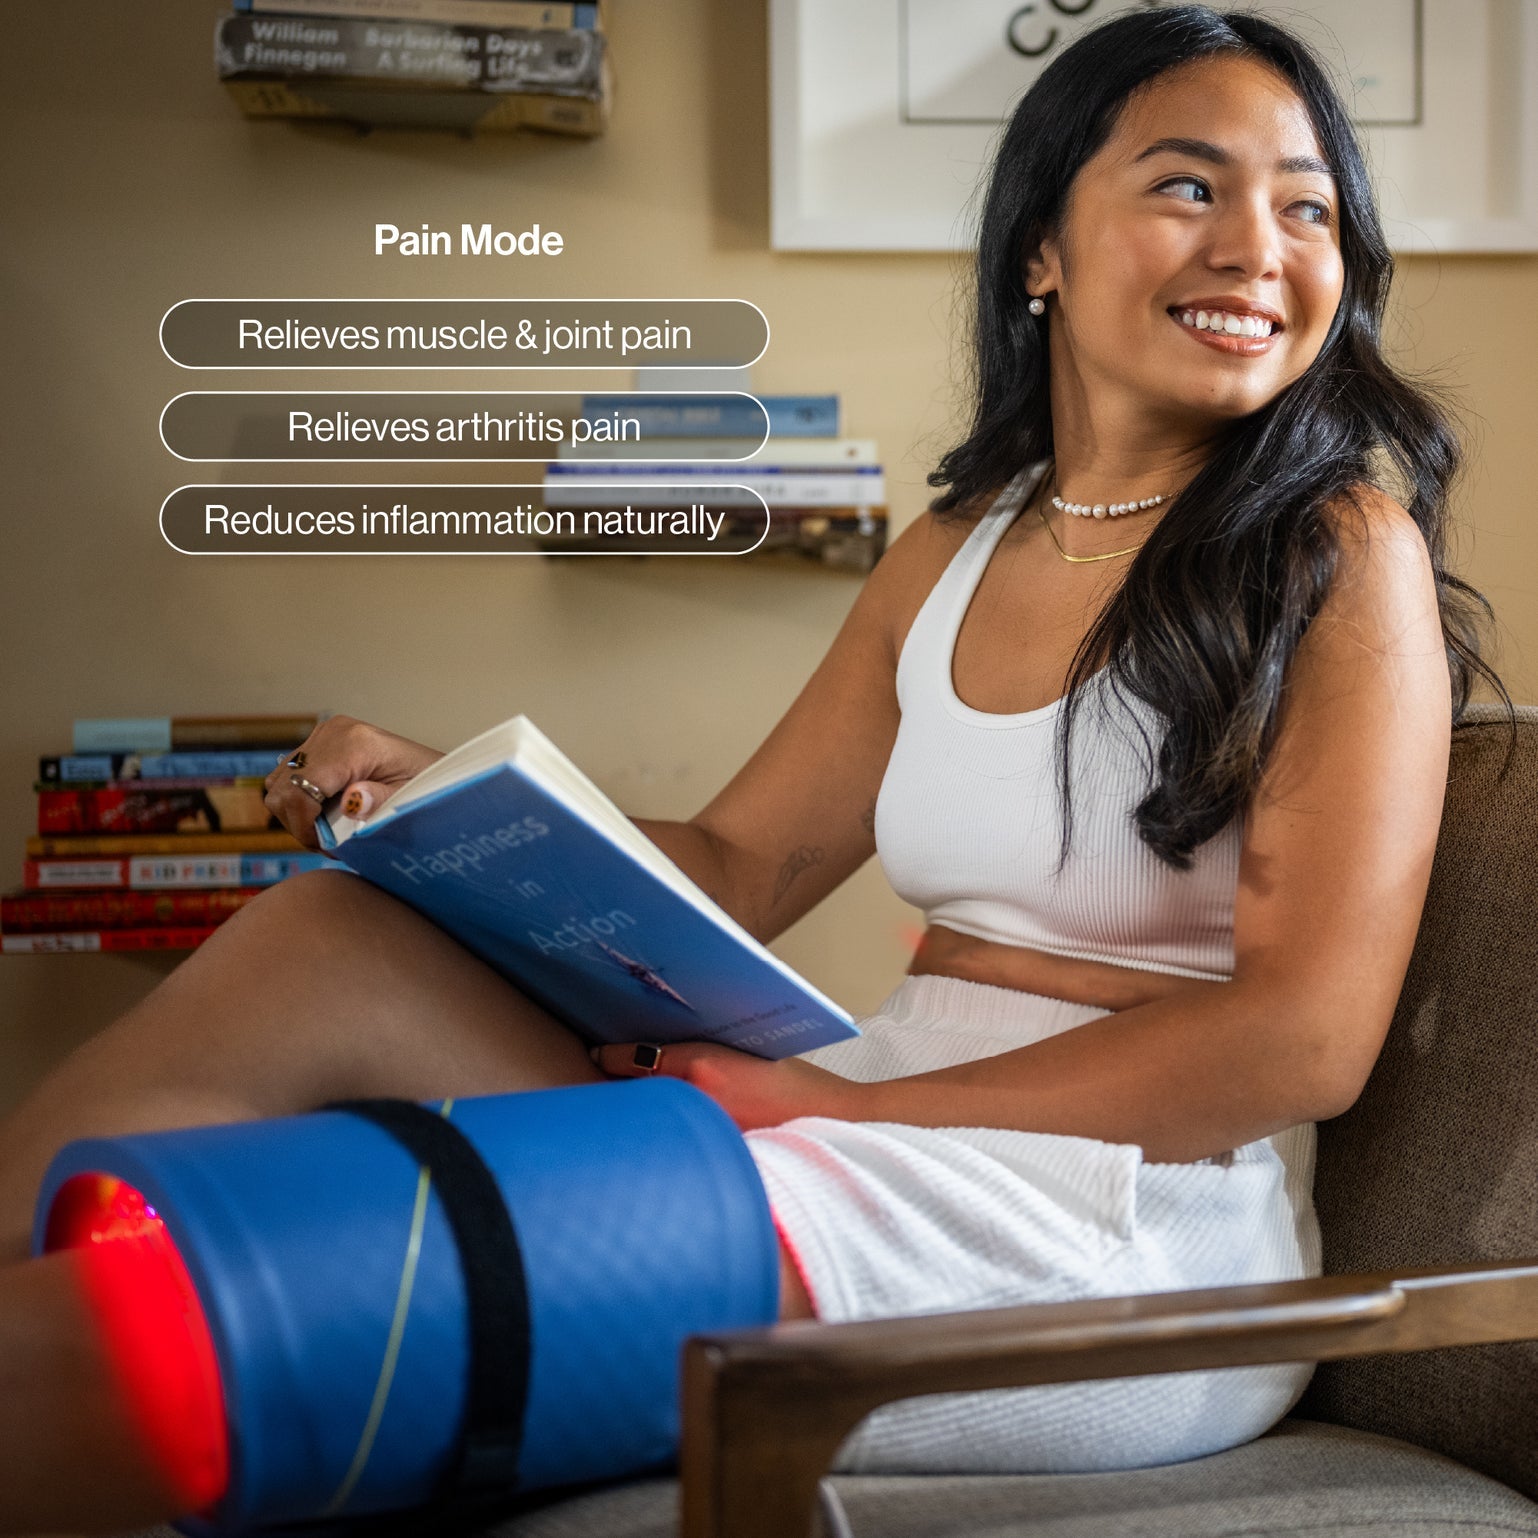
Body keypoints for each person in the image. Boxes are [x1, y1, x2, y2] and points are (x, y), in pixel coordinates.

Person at [0, 5, 1514, 1530]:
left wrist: (835, 1117)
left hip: (1111, 1203)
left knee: (197, 1313)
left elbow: (1301, 1042)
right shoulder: (952, 550)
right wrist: (454, 791)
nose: (1259, 242)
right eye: (1190, 185)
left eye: (1307, 204)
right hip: (867, 1096)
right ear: (1038, 249)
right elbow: (737, 866)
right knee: (327, 941)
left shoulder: (1335, 551)